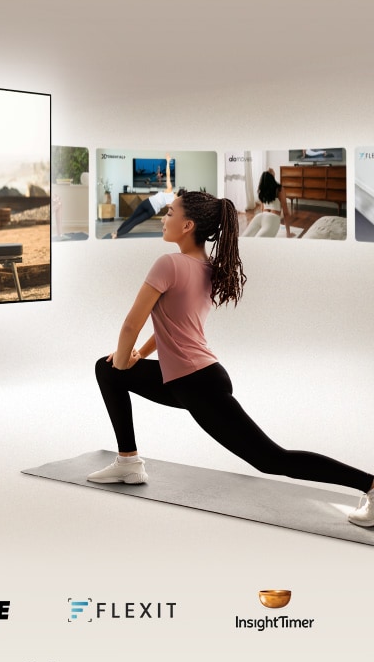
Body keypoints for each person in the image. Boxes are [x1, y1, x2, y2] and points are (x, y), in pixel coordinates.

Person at [88, 190, 374, 528]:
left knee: (271, 459)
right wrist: (137, 357)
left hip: (195, 383)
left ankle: (370, 484)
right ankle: (128, 462)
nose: (163, 218)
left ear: (187, 225)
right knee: (105, 369)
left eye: (169, 213)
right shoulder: (206, 267)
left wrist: (123, 361)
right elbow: (173, 325)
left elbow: (130, 326)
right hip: (195, 377)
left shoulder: (168, 263)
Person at [112, 157, 179, 239]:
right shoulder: (174, 203)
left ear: (178, 192)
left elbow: (168, 174)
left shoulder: (169, 190)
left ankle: (117, 232)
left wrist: (168, 161)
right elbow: (170, 212)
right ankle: (117, 234)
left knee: (131, 218)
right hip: (152, 210)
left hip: (147, 203)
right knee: (135, 222)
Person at [241, 168, 292, 238]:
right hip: (272, 219)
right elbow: (286, 213)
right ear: (272, 177)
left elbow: (262, 209)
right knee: (258, 242)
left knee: (243, 238)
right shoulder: (279, 189)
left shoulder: (263, 190)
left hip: (260, 217)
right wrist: (288, 234)